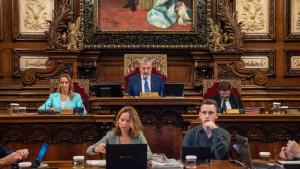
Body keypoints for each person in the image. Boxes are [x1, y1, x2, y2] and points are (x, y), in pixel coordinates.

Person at [86, 106, 153, 160]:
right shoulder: (111, 135)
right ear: (118, 120)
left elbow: (150, 155)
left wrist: (133, 154)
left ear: (134, 122)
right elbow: (88, 150)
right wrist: (96, 149)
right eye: (122, 120)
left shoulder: (139, 135)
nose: (124, 123)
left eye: (128, 121)